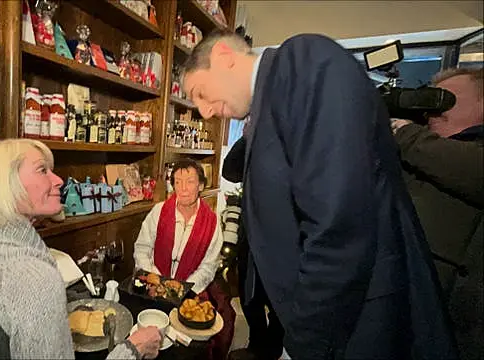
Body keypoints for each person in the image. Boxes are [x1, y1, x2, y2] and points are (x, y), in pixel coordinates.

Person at [182, 30, 458, 359]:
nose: (206, 113)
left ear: (223, 57)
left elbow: (338, 224)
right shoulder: (269, 103)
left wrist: (303, 345)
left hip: (354, 322)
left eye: (200, 94)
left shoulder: (304, 61)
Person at [0, 138, 162, 359]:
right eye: (42, 170)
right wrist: (133, 349)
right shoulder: (33, 278)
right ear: (5, 185)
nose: (59, 180)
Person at [391, 67, 483, 360]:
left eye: (445, 99)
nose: (433, 110)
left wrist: (404, 133)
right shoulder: (414, 154)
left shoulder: (421, 147)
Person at [133, 158, 234, 359]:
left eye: (189, 181)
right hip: (155, 285)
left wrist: (183, 290)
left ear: (201, 185)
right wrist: (157, 279)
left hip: (190, 290)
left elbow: (208, 266)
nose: (183, 188)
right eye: (177, 182)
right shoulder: (159, 211)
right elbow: (141, 249)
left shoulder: (212, 222)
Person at [222, 136, 285, 360]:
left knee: (281, 302)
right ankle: (257, 344)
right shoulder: (258, 140)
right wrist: (252, 133)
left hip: (285, 240)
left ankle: (272, 347)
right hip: (252, 233)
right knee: (248, 296)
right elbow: (229, 171)